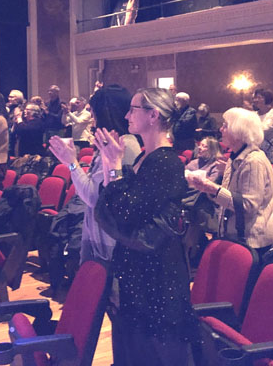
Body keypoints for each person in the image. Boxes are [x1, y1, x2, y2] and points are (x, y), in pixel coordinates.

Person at [95, 88, 192, 366]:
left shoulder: (165, 162)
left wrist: (113, 166)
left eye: (133, 109)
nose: (126, 115)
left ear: (153, 115)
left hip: (157, 276)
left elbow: (123, 212)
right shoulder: (143, 159)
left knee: (152, 352)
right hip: (138, 268)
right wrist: (109, 164)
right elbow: (112, 206)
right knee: (132, 349)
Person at [49, 84, 141, 266]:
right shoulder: (114, 143)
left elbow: (93, 197)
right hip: (99, 237)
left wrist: (72, 163)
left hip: (108, 243)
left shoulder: (124, 145)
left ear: (106, 112)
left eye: (94, 111)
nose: (92, 117)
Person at [188, 107, 273, 253]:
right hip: (233, 235)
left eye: (225, 125)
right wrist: (207, 189)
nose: (221, 129)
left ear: (238, 132)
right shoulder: (235, 157)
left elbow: (248, 206)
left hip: (251, 241)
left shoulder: (253, 161)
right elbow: (228, 196)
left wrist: (213, 189)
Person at [252, 88, 273, 164]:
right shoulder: (254, 114)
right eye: (255, 98)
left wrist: (250, 130)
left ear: (267, 99)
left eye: (259, 97)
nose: (256, 100)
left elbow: (264, 130)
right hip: (259, 152)